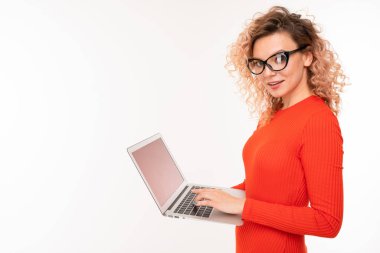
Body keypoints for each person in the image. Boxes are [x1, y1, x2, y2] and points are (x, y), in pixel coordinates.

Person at [191, 6, 348, 253]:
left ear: (307, 56)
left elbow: (328, 222)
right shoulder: (272, 114)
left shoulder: (318, 121)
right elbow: (263, 186)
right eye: (259, 63)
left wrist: (241, 207)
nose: (268, 73)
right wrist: (216, 197)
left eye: (279, 58)